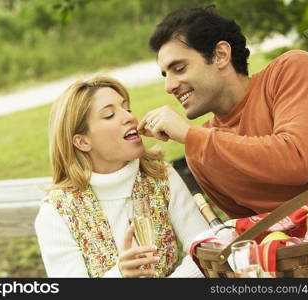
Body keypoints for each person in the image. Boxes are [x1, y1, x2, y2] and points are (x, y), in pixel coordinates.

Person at [137, 6, 308, 273]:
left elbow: (296, 159)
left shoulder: (291, 71)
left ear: (221, 55)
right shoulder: (199, 152)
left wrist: (191, 136)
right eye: (165, 75)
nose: (169, 86)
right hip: (300, 264)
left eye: (178, 68)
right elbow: (250, 227)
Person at [34, 76, 209, 278]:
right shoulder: (56, 213)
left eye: (127, 109)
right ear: (82, 142)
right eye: (109, 115)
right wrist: (119, 275)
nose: (129, 117)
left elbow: (203, 248)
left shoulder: (160, 176)